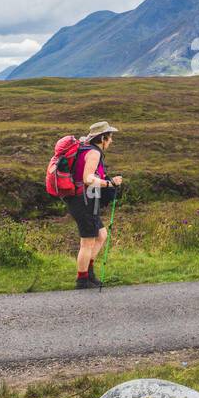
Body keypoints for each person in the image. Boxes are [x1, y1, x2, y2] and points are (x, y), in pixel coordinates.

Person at [66, 120, 123, 289]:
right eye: (110, 137)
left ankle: (89, 274)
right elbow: (88, 179)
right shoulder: (94, 153)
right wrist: (110, 183)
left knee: (101, 235)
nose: (111, 141)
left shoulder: (85, 148)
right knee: (87, 242)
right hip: (84, 200)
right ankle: (82, 280)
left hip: (84, 198)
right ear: (102, 138)